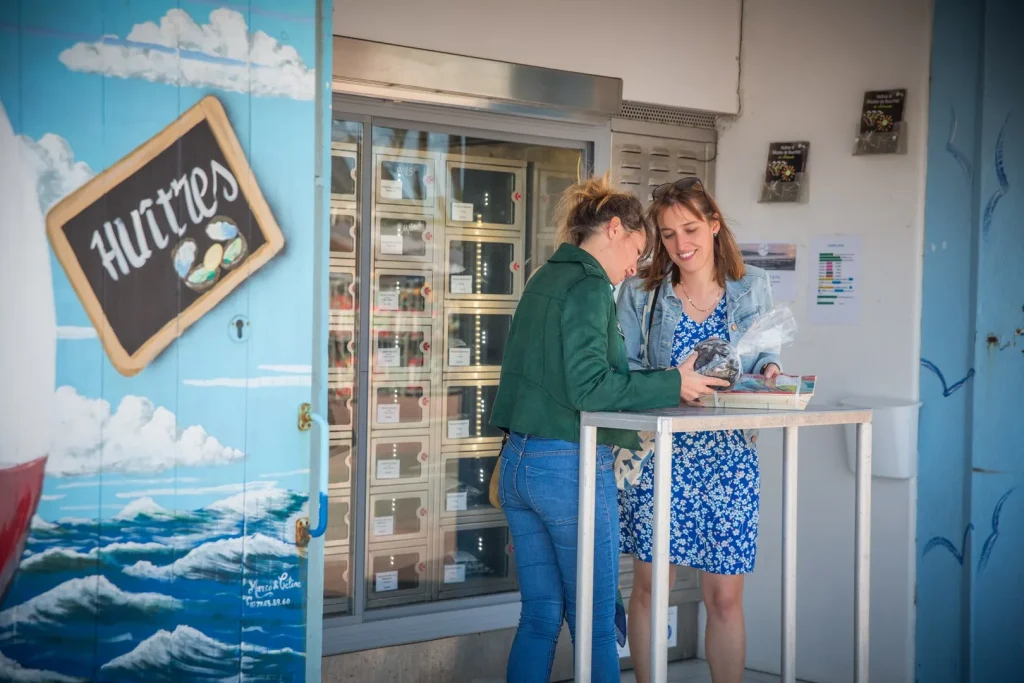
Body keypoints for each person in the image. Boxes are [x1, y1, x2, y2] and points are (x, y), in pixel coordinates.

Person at [489, 176, 726, 682]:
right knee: (595, 624)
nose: (634, 267)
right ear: (614, 229)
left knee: (538, 619)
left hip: (517, 466)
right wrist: (674, 382)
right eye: (638, 250)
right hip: (568, 469)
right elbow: (591, 388)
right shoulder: (590, 283)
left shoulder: (543, 278)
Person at [617, 177, 781, 683]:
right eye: (667, 234)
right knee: (652, 589)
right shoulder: (643, 293)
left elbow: (767, 350)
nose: (680, 244)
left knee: (726, 597)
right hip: (660, 453)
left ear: (714, 225)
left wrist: (772, 371)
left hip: (728, 457)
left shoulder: (752, 285)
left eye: (689, 228)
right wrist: (671, 383)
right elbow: (621, 371)